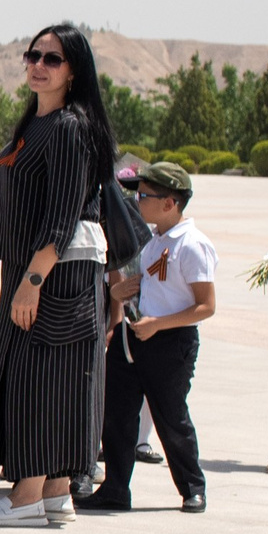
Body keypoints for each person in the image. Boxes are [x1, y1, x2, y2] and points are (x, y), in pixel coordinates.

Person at [0, 25, 120, 526]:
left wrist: (32, 281)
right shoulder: (36, 121)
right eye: (32, 55)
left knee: (38, 376)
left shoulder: (71, 127)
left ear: (74, 70)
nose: (38, 65)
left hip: (55, 274)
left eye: (52, 59)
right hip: (32, 268)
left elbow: (62, 213)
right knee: (52, 380)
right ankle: (55, 492)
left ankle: (26, 495)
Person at [80, 162, 214, 512]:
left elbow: (206, 306)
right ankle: (115, 488)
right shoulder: (155, 242)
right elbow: (148, 285)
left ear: (170, 203)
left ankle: (192, 488)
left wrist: (159, 323)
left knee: (171, 419)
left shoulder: (193, 244)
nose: (136, 200)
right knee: (117, 415)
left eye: (144, 195)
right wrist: (123, 292)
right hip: (133, 337)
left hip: (170, 342)